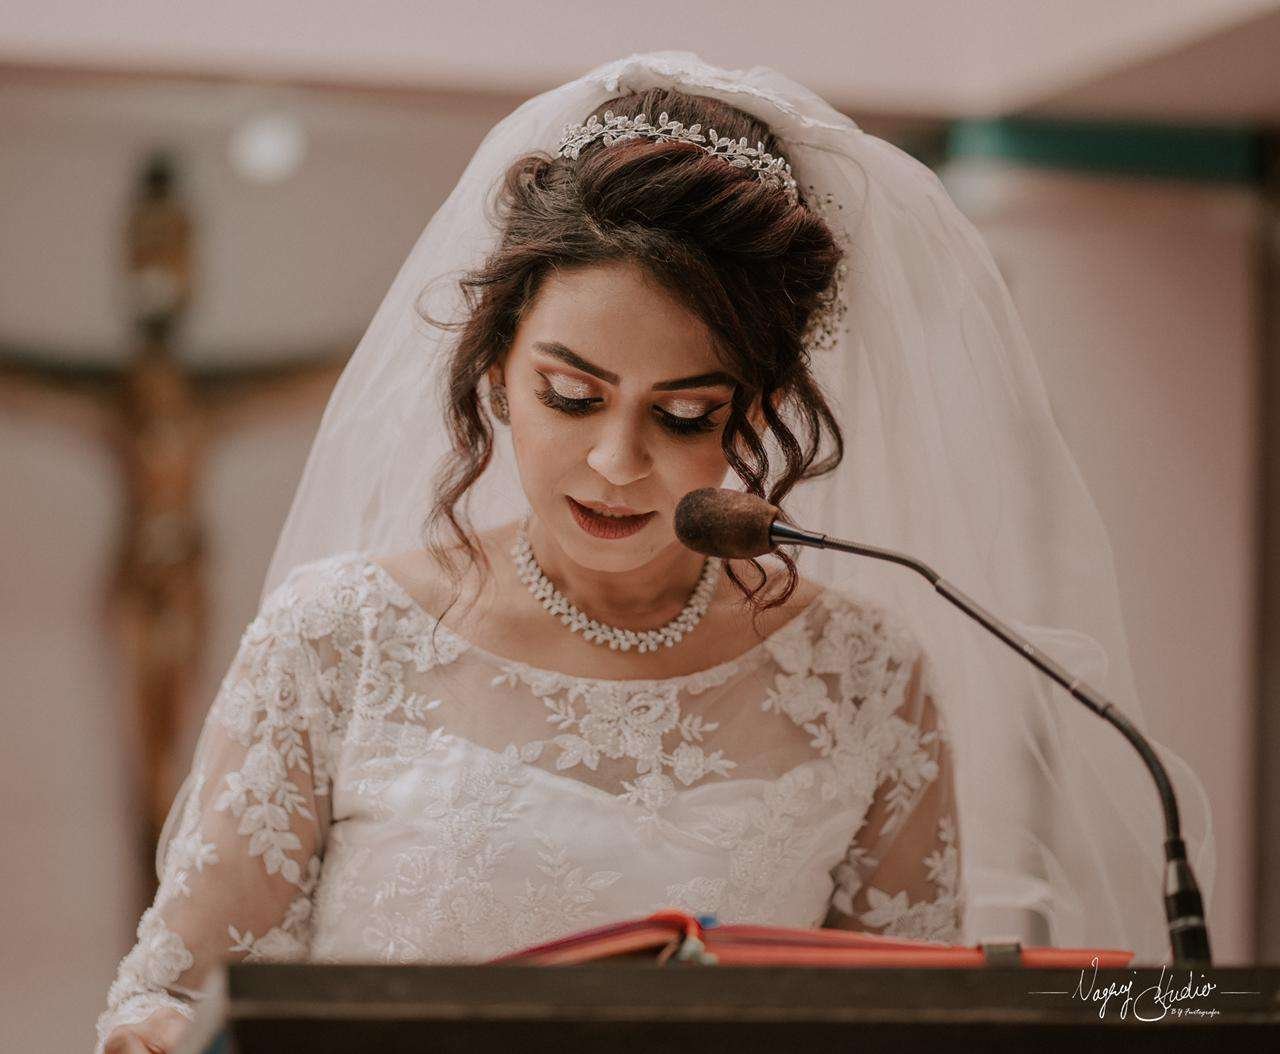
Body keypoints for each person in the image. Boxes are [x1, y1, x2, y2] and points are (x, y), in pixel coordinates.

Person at [96, 51, 1214, 1053]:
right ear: (497, 370)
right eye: (571, 395)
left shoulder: (865, 676)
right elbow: (178, 1000)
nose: (616, 462)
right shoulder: (338, 637)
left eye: (682, 416)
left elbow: (907, 1029)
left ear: (756, 412)